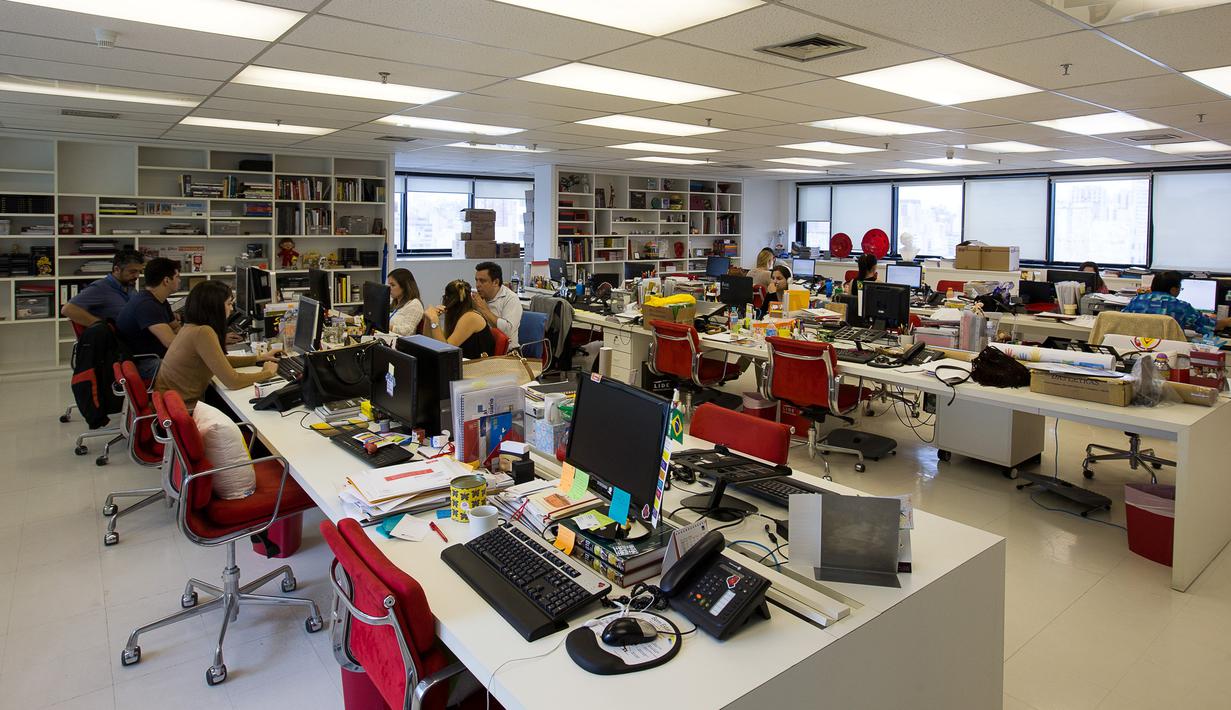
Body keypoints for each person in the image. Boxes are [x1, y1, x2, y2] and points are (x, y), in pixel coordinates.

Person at [155, 280, 278, 408]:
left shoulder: (190, 327)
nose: (232, 308)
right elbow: (233, 382)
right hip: (183, 410)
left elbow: (219, 360)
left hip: (170, 407)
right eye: (229, 303)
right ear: (214, 307)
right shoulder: (203, 332)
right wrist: (268, 373)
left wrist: (258, 358)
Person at [116, 258, 181, 378]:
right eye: (177, 277)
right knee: (192, 365)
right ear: (166, 280)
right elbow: (171, 343)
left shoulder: (160, 300)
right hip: (144, 363)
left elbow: (176, 328)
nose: (179, 280)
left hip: (155, 356)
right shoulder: (146, 305)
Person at [1122, 270, 1231, 337]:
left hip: (1137, 347)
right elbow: (1209, 325)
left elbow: (1122, 320)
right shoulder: (1181, 307)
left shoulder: (1136, 300)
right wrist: (1226, 322)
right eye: (1180, 288)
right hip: (1169, 352)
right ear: (1174, 289)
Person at [61, 249, 144, 327]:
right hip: (117, 336)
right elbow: (68, 309)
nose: (137, 276)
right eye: (132, 272)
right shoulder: (100, 288)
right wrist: (103, 327)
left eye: (139, 272)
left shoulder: (129, 286)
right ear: (117, 269)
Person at [424, 279, 496, 359]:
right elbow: (427, 343)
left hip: (478, 364)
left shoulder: (471, 317)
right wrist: (428, 319)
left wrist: (434, 320)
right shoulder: (458, 316)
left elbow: (445, 351)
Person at [472, 261, 522, 347]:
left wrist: (485, 310)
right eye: (476, 280)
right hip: (483, 347)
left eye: (482, 281)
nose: (477, 285)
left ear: (495, 282)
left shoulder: (510, 298)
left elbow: (508, 331)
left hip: (507, 351)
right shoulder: (477, 297)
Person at [386, 268, 424, 336]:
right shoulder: (395, 303)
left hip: (401, 341)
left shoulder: (414, 304)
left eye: (393, 285)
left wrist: (386, 326)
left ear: (404, 286)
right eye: (389, 285)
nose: (389, 288)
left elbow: (408, 331)